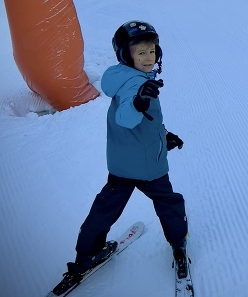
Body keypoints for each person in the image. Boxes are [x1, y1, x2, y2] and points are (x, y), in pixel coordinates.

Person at [61, 21, 189, 283]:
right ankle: (178, 243)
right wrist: (141, 100)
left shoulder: (121, 77)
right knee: (169, 202)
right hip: (147, 166)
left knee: (105, 208)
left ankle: (87, 254)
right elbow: (127, 118)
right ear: (125, 55)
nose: (148, 58)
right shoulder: (136, 85)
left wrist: (164, 136)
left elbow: (144, 122)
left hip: (121, 163)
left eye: (152, 51)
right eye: (141, 53)